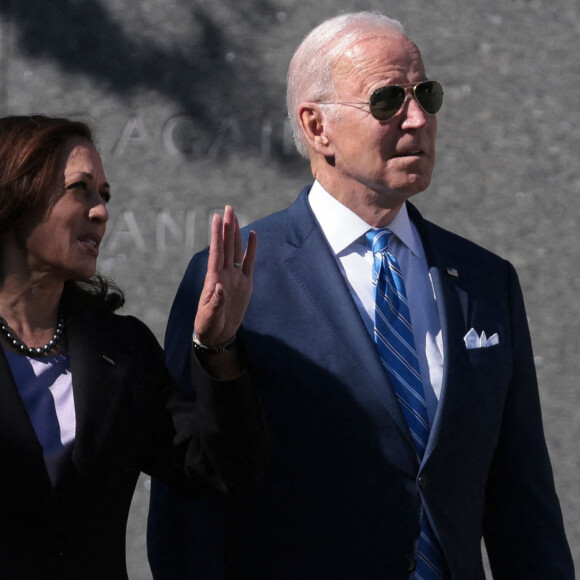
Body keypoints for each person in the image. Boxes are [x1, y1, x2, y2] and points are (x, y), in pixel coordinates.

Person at [147, 12, 574, 580]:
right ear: (317, 127)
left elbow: (523, 502)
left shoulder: (483, 279)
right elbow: (191, 505)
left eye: (426, 94)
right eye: (387, 100)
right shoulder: (238, 278)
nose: (418, 119)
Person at [0, 115, 267, 579]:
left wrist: (218, 346)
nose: (100, 211)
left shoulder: (121, 350)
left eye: (103, 195)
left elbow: (217, 470)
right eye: (79, 188)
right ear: (15, 194)